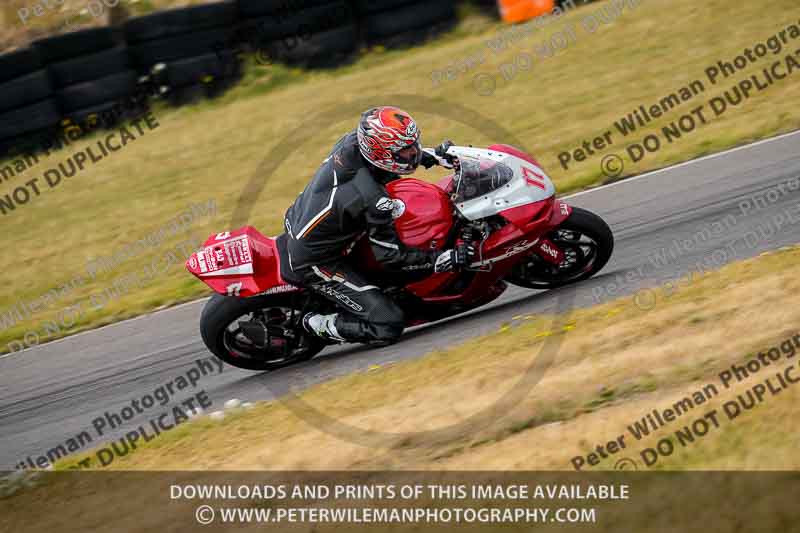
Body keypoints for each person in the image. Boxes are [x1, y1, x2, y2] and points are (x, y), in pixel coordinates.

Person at [279, 106, 472, 345]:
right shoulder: (375, 201)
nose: (413, 153)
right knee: (387, 323)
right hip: (314, 262)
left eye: (414, 145)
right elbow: (391, 258)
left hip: (299, 218)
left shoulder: (353, 142)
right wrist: (441, 258)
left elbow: (388, 159)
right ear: (380, 152)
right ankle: (314, 323)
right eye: (406, 150)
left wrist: (432, 156)